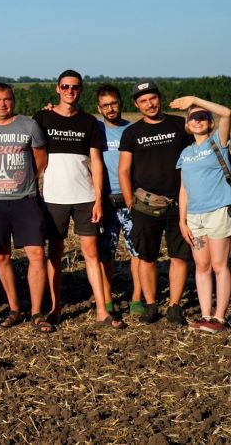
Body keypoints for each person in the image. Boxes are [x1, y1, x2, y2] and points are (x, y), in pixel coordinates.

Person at [33, 70, 122, 329]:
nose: (70, 91)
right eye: (65, 86)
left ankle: (102, 310)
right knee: (55, 254)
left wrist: (97, 199)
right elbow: (33, 153)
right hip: (53, 197)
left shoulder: (89, 122)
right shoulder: (42, 117)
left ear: (80, 91)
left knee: (91, 253)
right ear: (57, 88)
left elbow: (95, 161)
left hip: (84, 196)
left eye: (75, 87)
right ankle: (54, 308)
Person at [0, 83, 53, 333]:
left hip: (26, 200)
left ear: (13, 100)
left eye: (7, 99)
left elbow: (40, 159)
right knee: (2, 256)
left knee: (36, 254)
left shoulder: (29, 126)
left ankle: (37, 312)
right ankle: (14, 308)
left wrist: (29, 181)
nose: (2, 104)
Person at [118, 81, 192, 325]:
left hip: (178, 203)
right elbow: (124, 169)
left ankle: (174, 306)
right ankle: (151, 305)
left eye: (152, 98)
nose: (149, 104)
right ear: (137, 105)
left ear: (159, 98)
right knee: (147, 257)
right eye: (143, 101)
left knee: (179, 256)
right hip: (145, 205)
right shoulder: (132, 132)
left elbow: (200, 147)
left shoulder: (179, 125)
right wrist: (130, 201)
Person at [172, 97, 231, 333]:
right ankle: (205, 314)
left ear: (209, 122)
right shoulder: (186, 153)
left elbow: (227, 112)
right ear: (187, 124)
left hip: (218, 212)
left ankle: (219, 318)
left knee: (220, 265)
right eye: (192, 117)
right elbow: (183, 189)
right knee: (202, 266)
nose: (197, 121)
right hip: (195, 218)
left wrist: (196, 101)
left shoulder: (218, 142)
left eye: (202, 117)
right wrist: (182, 219)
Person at [94, 84, 143, 318]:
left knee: (137, 252)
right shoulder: (95, 128)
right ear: (99, 108)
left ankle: (136, 298)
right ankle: (108, 299)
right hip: (104, 201)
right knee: (105, 254)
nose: (110, 108)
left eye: (113, 103)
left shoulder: (133, 130)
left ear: (121, 103)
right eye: (105, 105)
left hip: (130, 200)